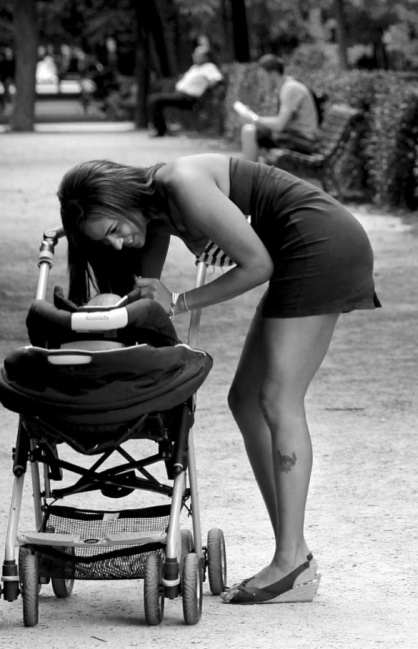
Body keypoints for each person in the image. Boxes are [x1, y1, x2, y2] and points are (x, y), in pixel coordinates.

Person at [57, 153, 381, 604]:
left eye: (113, 229)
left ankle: (291, 562)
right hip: (298, 251)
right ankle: (295, 554)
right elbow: (141, 296)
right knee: (245, 401)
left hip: (321, 243)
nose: (117, 243)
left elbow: (257, 266)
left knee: (279, 399)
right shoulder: (152, 215)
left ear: (122, 197)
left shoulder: (182, 183)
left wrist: (180, 302)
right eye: (105, 241)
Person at [235, 54, 320, 161]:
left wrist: (253, 119)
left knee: (249, 132)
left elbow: (280, 125)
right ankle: (252, 169)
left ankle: (249, 171)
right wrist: (253, 117)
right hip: (295, 136)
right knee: (253, 131)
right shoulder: (286, 87)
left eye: (263, 78)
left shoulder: (291, 89)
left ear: (273, 74)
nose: (261, 83)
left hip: (304, 140)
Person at [147, 43, 223, 137]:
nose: (195, 57)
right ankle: (160, 128)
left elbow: (217, 78)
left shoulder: (209, 67)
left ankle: (160, 130)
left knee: (155, 100)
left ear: (206, 57)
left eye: (199, 55)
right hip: (180, 94)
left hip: (189, 98)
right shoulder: (194, 67)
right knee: (154, 99)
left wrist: (208, 86)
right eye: (195, 54)